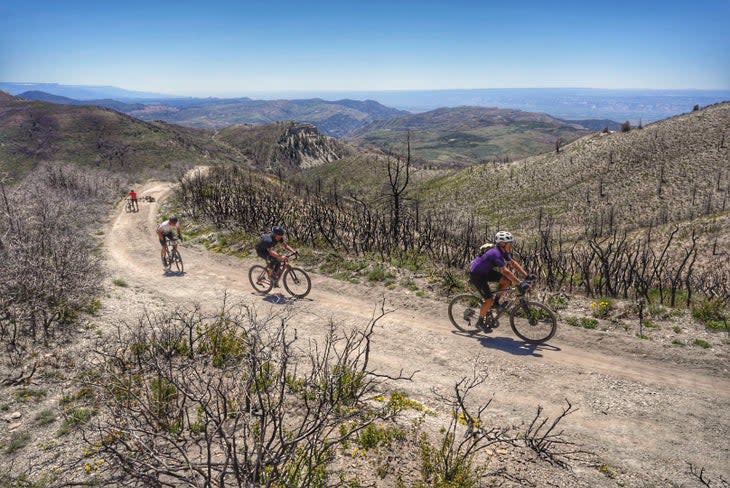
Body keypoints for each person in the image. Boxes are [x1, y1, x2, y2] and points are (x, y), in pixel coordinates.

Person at [469, 231, 530, 331]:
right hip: (477, 275)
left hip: (485, 271)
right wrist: (519, 283)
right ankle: (479, 322)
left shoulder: (503, 251)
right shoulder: (495, 253)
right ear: (502, 244)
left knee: (506, 281)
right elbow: (505, 271)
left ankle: (495, 303)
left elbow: (513, 263)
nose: (511, 245)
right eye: (510, 243)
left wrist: (527, 275)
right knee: (488, 300)